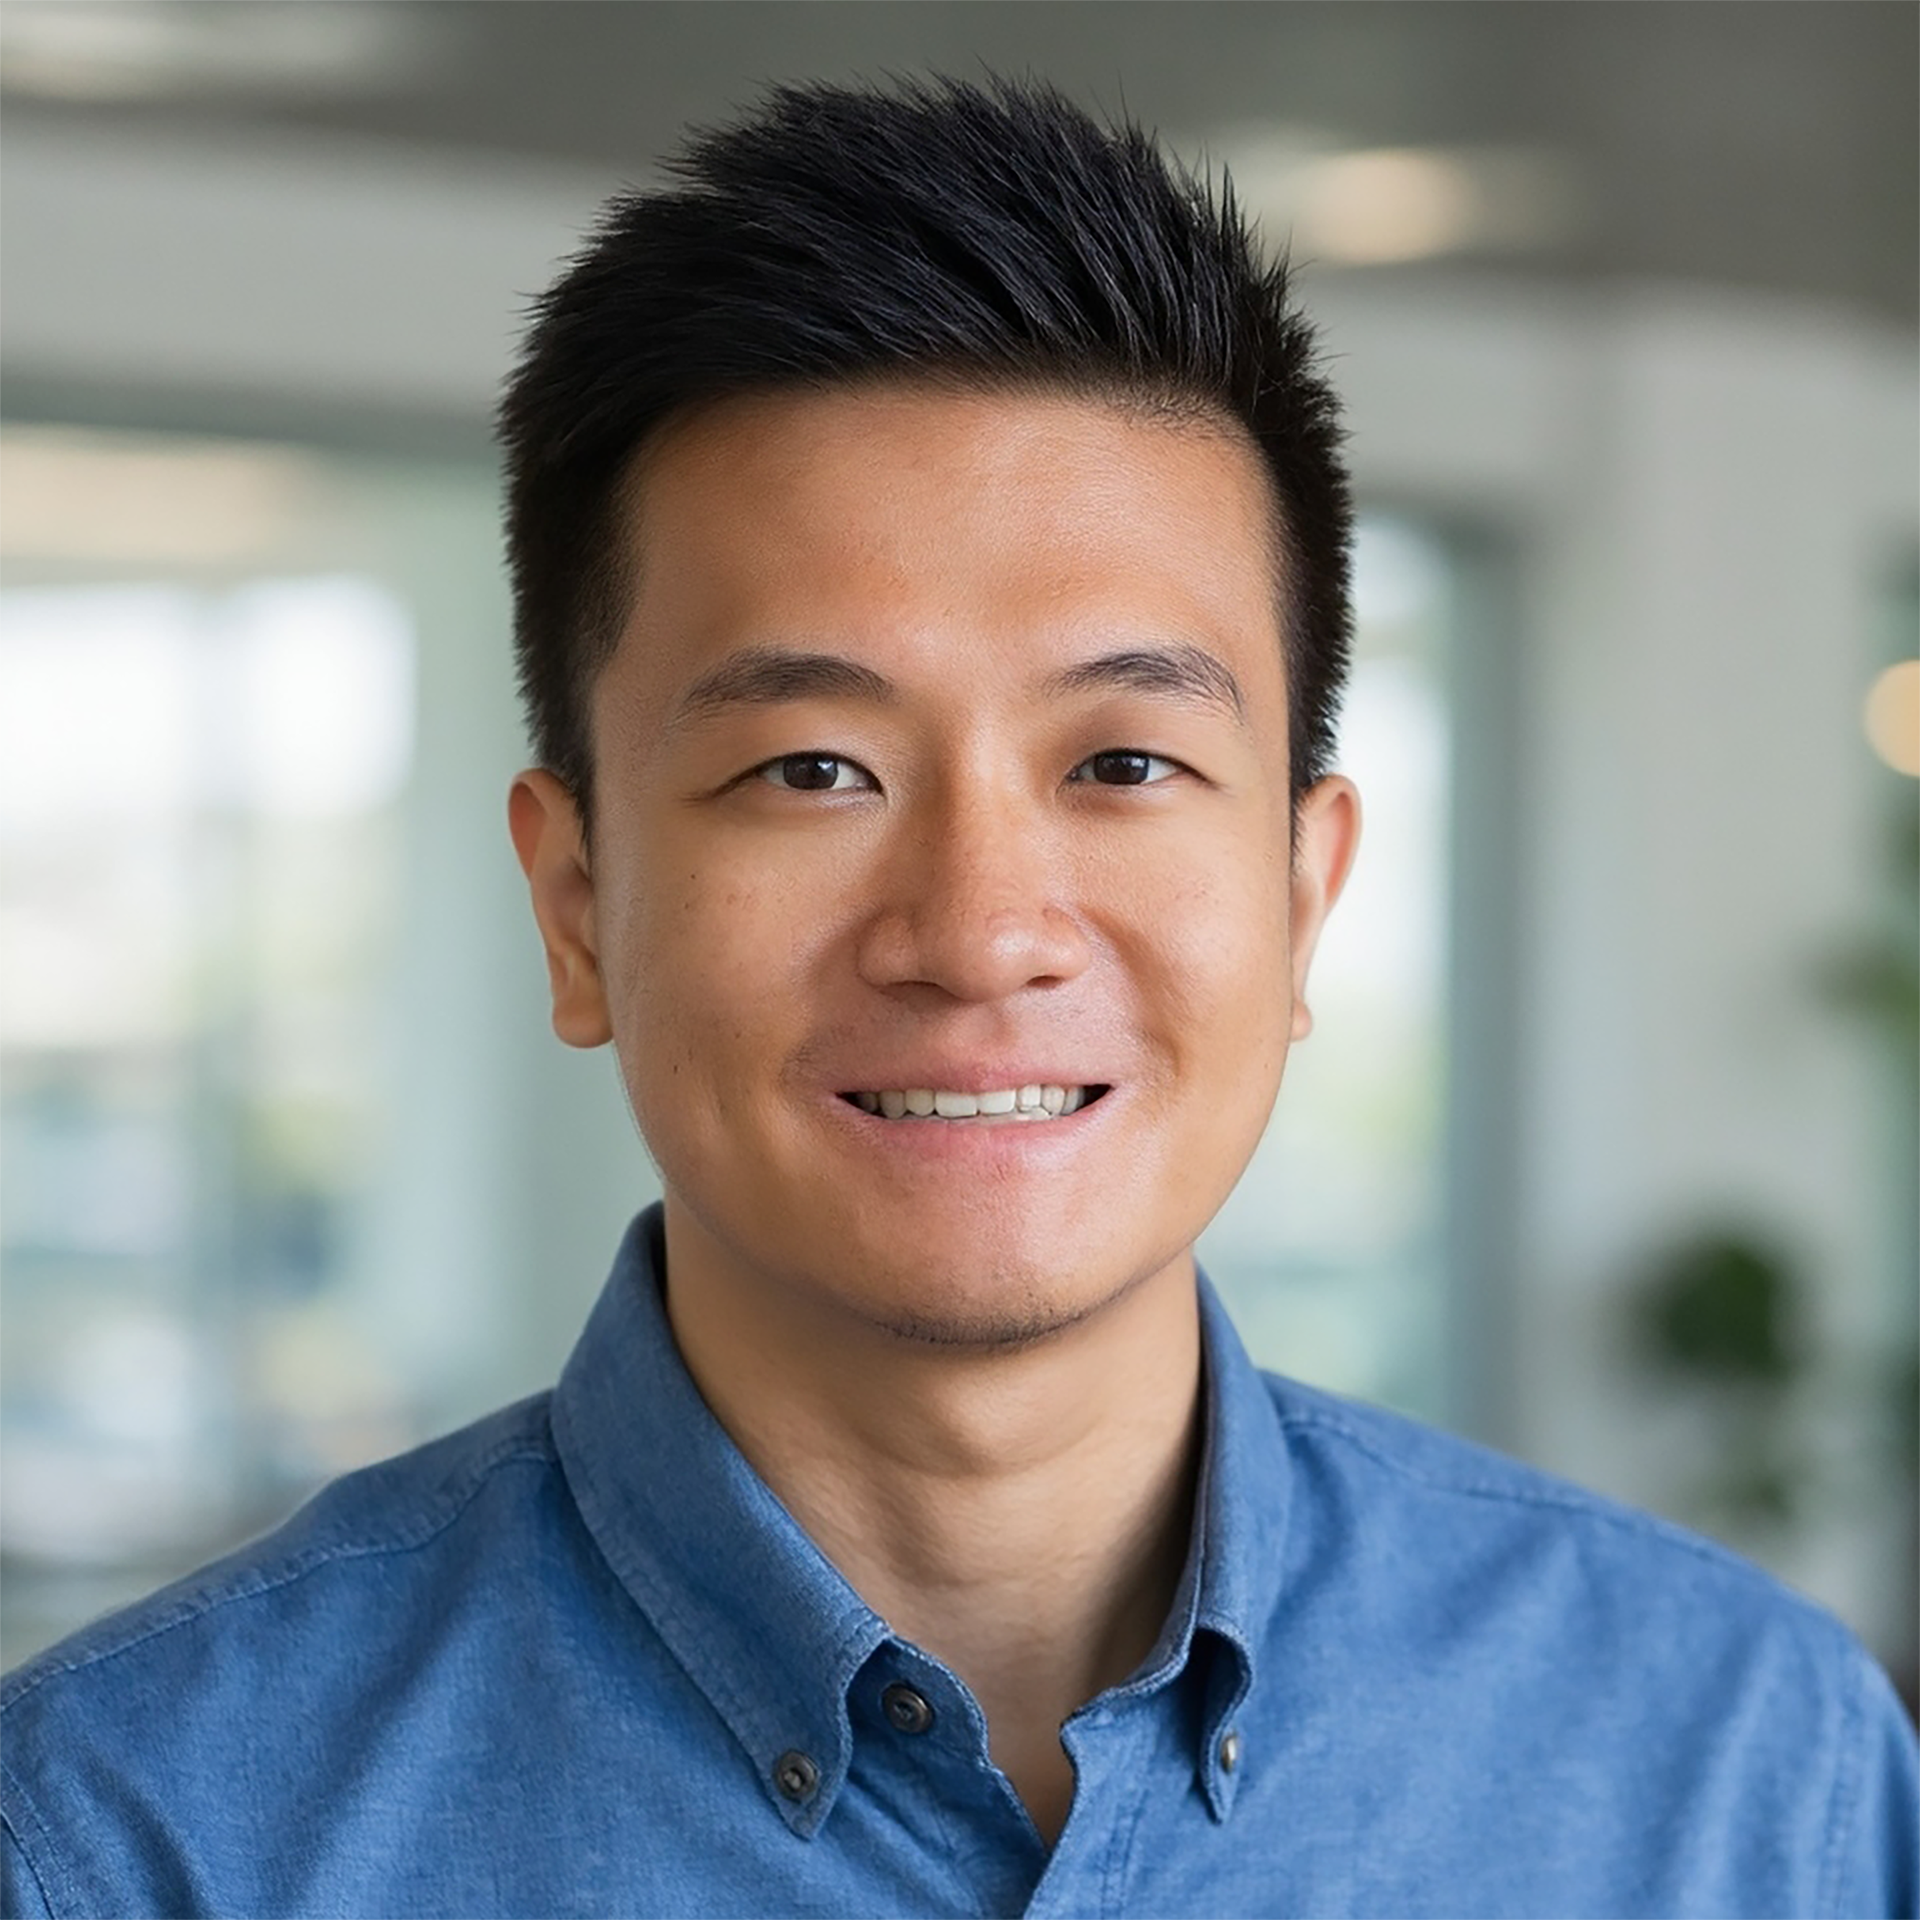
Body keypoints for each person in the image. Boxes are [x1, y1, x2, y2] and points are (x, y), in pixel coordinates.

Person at [2, 75, 1913, 1920]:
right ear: (577, 907)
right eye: (814, 769)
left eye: (1127, 765)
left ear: (1306, 894)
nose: (983, 932)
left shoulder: (1739, 1765)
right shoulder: (137, 1836)